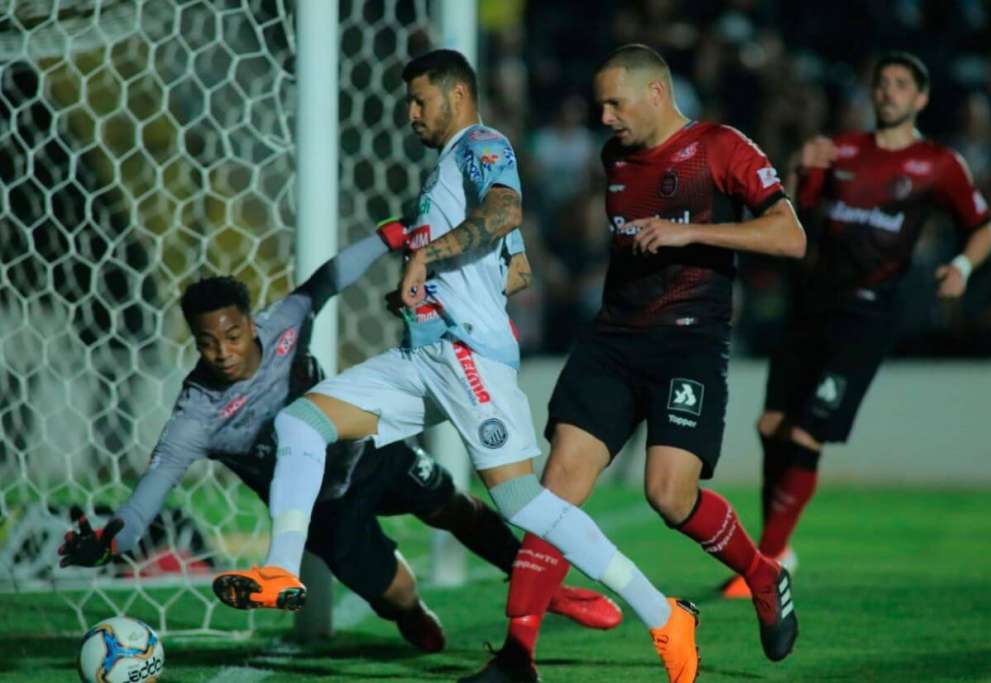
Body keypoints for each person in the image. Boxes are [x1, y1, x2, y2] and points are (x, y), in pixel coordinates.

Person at [215, 48, 701, 683]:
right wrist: (437, 281)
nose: (411, 113)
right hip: (424, 354)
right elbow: (516, 267)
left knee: (525, 504)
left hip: (467, 356)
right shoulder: (447, 170)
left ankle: (664, 613)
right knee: (301, 424)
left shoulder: (481, 143)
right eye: (409, 102)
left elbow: (505, 211)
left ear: (458, 96)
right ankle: (280, 571)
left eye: (421, 100)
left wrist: (428, 260)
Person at [57, 229, 623, 651]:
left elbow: (327, 279)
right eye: (208, 344)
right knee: (401, 601)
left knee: (451, 505)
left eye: (231, 335)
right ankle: (408, 609)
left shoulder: (283, 322)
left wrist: (385, 238)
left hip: (369, 451)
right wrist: (114, 539)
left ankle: (540, 586)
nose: (223, 352)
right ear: (196, 345)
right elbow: (152, 487)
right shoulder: (195, 414)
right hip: (323, 512)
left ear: (250, 325)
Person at [467, 43, 807, 682]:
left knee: (669, 495)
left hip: (690, 344)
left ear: (656, 93)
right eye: (599, 104)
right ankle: (517, 658)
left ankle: (763, 574)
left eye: (614, 102)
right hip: (613, 341)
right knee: (558, 487)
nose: (603, 117)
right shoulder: (616, 156)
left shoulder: (721, 148)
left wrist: (692, 232)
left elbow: (791, 236)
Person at [720, 51, 991, 599]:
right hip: (812, 305)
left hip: (867, 315)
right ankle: (780, 548)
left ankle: (767, 560)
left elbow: (983, 228)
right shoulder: (842, 149)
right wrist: (802, 170)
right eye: (882, 83)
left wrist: (962, 267)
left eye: (901, 85)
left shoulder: (938, 164)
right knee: (770, 426)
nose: (888, 92)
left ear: (920, 98)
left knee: (806, 432)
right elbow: (798, 218)